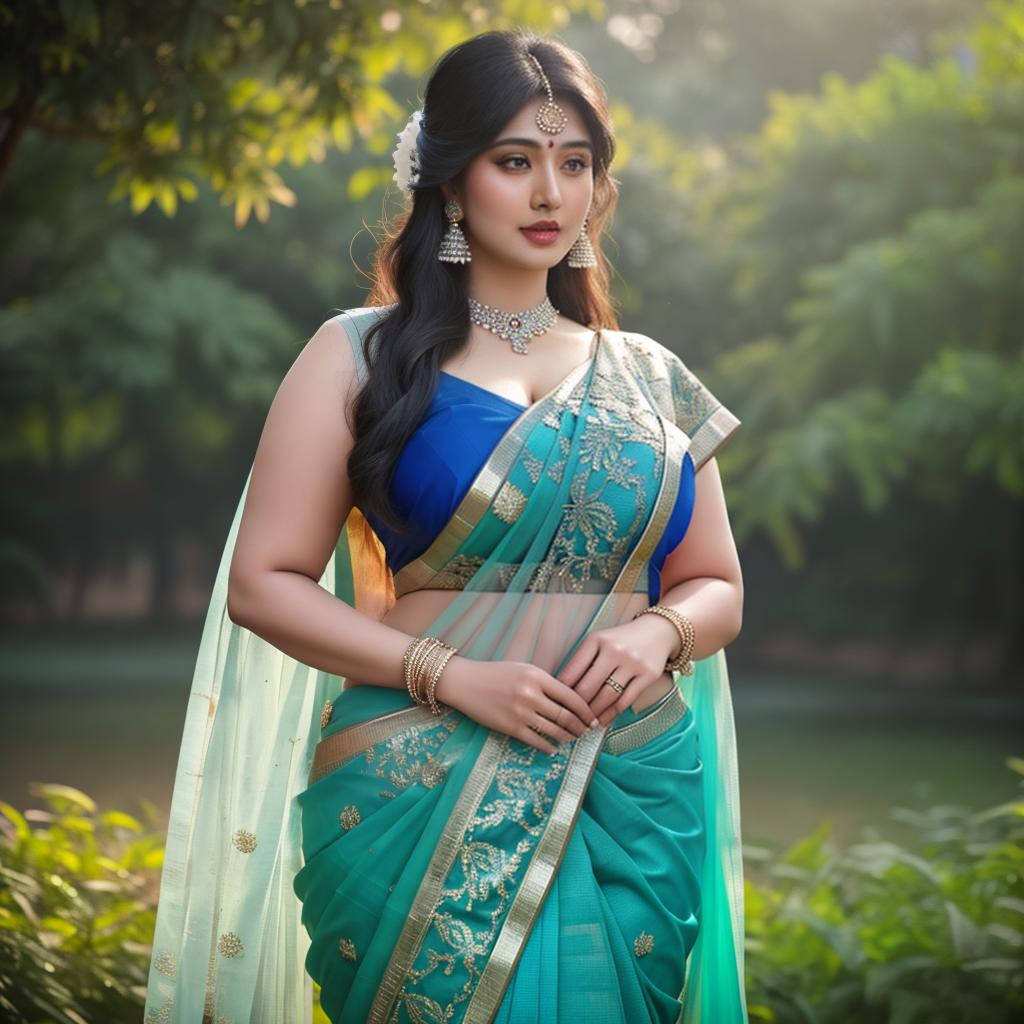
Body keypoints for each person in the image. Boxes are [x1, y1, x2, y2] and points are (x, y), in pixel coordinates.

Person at [143, 28, 747, 1024]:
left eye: (575, 163)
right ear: (451, 183)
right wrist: (453, 676)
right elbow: (265, 582)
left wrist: (657, 631)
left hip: (626, 782)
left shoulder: (649, 379)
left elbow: (715, 582)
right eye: (515, 162)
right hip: (419, 773)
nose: (551, 192)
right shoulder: (357, 356)